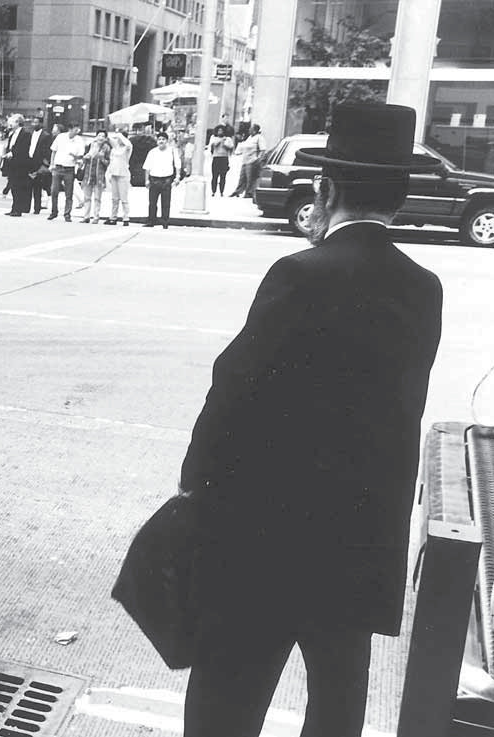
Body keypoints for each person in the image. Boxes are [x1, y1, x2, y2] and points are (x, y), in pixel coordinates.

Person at [178, 102, 444, 737]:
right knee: (337, 702)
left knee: (227, 697)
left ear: (325, 190)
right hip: (361, 537)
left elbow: (234, 391)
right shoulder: (423, 286)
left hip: (268, 534)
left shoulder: (300, 273)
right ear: (401, 197)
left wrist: (195, 488)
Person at [142, 131, 182, 229]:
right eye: (159, 139)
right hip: (154, 179)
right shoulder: (152, 152)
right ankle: (151, 221)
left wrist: (177, 177)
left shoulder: (172, 151)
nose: (161, 141)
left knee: (166, 203)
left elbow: (177, 164)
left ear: (167, 141)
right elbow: (147, 167)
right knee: (152, 203)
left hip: (166, 180)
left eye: (163, 139)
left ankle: (165, 222)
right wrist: (146, 180)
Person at [47, 124, 85, 222]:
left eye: (78, 130)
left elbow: (80, 156)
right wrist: (52, 164)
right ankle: (54, 211)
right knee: (54, 190)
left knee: (69, 193)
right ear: (70, 129)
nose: (77, 132)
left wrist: (75, 157)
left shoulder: (79, 140)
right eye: (75, 130)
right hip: (58, 167)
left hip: (69, 168)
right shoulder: (61, 137)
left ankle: (67, 213)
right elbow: (53, 151)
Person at [0, 114, 33, 216]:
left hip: (20, 164)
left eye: (12, 122)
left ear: (18, 123)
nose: (9, 124)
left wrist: (13, 153)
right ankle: (14, 208)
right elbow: (10, 147)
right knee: (13, 187)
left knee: (19, 187)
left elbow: (24, 148)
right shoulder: (12, 134)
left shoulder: (25, 134)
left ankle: (18, 209)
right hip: (12, 164)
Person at [78, 130, 110, 224]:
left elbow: (108, 163)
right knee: (87, 197)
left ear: (105, 138)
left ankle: (96, 217)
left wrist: (102, 158)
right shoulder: (90, 146)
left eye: (103, 136)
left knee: (97, 198)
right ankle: (86, 216)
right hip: (88, 175)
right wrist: (85, 158)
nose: (101, 138)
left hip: (99, 176)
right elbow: (83, 158)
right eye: (99, 135)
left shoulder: (107, 148)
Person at [105, 129, 133, 226]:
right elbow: (111, 161)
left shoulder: (127, 148)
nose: (118, 140)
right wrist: (109, 173)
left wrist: (120, 135)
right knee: (114, 198)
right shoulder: (114, 149)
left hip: (123, 175)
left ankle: (126, 217)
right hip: (114, 174)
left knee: (124, 198)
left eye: (120, 138)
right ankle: (113, 217)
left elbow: (128, 144)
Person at [232, 124, 265, 198]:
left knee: (250, 178)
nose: (249, 130)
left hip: (252, 161)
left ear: (255, 130)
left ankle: (249, 193)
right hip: (245, 160)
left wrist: (258, 159)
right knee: (242, 177)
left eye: (251, 129)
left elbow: (262, 150)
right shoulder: (250, 138)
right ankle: (238, 191)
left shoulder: (259, 138)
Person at [28, 121, 53, 214]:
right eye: (33, 122)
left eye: (36, 122)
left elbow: (47, 151)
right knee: (28, 186)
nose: (34, 124)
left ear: (41, 124)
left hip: (38, 163)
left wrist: (44, 163)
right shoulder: (30, 134)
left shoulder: (46, 136)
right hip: (29, 161)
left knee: (37, 187)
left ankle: (37, 208)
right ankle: (26, 207)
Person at [207, 124, 234, 196]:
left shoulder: (228, 139)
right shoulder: (213, 138)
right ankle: (213, 191)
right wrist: (221, 140)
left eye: (221, 130)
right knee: (214, 176)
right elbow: (213, 145)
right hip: (216, 157)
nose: (220, 132)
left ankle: (222, 191)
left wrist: (225, 144)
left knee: (223, 176)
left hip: (224, 158)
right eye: (219, 130)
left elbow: (231, 147)